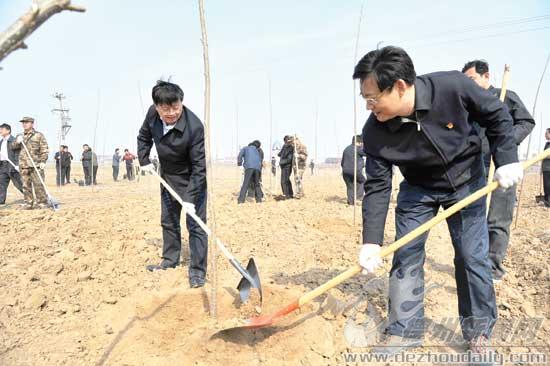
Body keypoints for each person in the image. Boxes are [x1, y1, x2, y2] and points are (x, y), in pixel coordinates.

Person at [354, 46, 521, 356]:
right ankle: (404, 331)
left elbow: (497, 116)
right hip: (418, 189)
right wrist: (371, 241)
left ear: (400, 87)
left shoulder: (453, 87)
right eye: (365, 99)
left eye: (373, 98)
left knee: (472, 257)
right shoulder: (375, 132)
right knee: (406, 256)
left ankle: (479, 334)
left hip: (466, 181)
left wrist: (507, 158)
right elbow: (378, 185)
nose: (369, 106)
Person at [462, 60, 536, 282]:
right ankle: (473, 263)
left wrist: (506, 142)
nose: (468, 84)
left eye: (472, 79)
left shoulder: (506, 97)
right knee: (472, 217)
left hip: (504, 165)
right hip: (476, 167)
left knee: (498, 217)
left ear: (486, 77)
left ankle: (493, 267)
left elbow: (526, 122)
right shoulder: (467, 104)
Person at [137, 80, 208, 288]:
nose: (171, 113)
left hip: (192, 179)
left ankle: (197, 271)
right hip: (167, 177)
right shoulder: (152, 114)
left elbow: (199, 167)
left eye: (175, 107)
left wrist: (190, 198)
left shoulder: (194, 127)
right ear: (157, 107)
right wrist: (144, 160)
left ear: (181, 103)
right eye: (165, 108)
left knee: (196, 226)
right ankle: (170, 260)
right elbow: (143, 137)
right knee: (168, 221)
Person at [10, 117, 50, 209]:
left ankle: (42, 203)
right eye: (23, 123)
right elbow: (13, 147)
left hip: (36, 164)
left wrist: (43, 161)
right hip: (24, 165)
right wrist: (17, 141)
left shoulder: (39, 135)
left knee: (38, 184)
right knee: (25, 186)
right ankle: (28, 203)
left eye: (26, 122)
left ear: (32, 123)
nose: (24, 124)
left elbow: (44, 149)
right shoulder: (20, 135)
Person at [0, 123, 23, 204]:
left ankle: (30, 198)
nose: (0, 131)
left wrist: (17, 164)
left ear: (8, 130)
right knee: (1, 183)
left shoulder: (13, 140)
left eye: (2, 129)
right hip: (2, 165)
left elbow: (17, 153)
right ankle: (1, 201)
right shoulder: (2, 141)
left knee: (19, 183)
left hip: (12, 165)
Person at [341, 135, 366, 205]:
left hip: (345, 171)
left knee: (350, 186)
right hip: (355, 171)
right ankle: (359, 197)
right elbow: (367, 154)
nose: (361, 144)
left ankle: (350, 201)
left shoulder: (346, 149)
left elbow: (342, 162)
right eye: (361, 143)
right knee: (362, 181)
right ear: (358, 142)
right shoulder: (358, 149)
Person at [542, 128, 550, 207]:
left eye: (546, 133)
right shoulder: (547, 144)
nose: (545, 135)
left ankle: (548, 202)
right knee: (546, 185)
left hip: (548, 168)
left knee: (548, 185)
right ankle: (546, 201)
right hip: (546, 168)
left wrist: (544, 155)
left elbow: (547, 155)